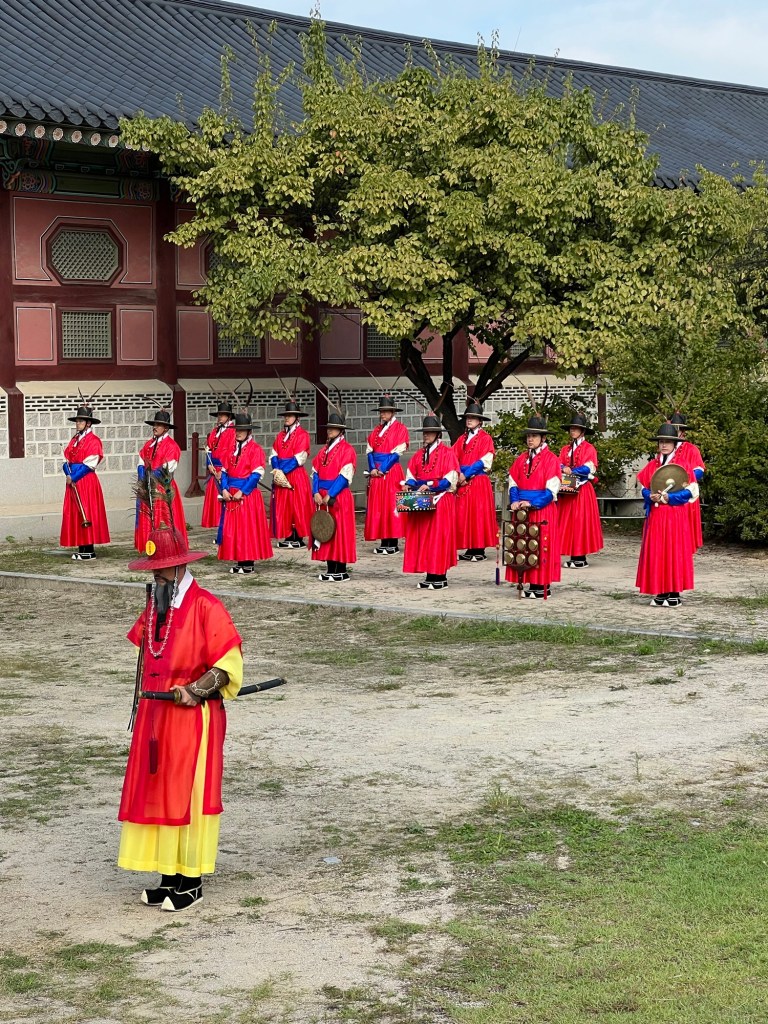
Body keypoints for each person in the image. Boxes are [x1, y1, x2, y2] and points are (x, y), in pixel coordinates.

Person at [118, 524, 243, 911]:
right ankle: (168, 875)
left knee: (188, 791)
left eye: (162, 570)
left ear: (180, 567)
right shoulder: (156, 606)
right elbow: (147, 649)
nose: (156, 577)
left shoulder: (207, 606)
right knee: (159, 790)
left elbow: (228, 665)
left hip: (191, 719)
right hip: (156, 715)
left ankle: (191, 881)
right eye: (153, 571)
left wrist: (196, 689)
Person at [636, 422, 697, 607]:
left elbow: (691, 491)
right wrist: (650, 495)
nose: (664, 445)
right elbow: (643, 487)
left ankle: (674, 593)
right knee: (658, 553)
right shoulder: (652, 464)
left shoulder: (683, 464)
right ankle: (660, 592)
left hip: (674, 516)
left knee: (673, 552)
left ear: (674, 443)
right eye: (661, 441)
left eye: (667, 442)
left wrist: (670, 498)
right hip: (656, 516)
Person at [505, 415, 562, 598]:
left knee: (540, 546)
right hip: (521, 509)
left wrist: (532, 503)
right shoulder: (521, 459)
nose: (530, 439)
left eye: (535, 436)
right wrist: (515, 500)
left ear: (543, 438)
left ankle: (542, 586)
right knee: (524, 547)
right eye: (529, 436)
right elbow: (513, 482)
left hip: (541, 509)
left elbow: (551, 490)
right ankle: (528, 581)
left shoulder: (551, 460)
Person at [402, 414, 460, 590]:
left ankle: (440, 577)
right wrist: (408, 485)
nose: (426, 435)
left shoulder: (448, 453)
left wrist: (431, 486)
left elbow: (449, 480)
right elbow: (411, 475)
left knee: (438, 539)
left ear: (437, 434)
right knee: (425, 539)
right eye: (425, 432)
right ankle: (429, 575)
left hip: (440, 500)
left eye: (430, 432)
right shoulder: (418, 455)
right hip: (423, 500)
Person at [217, 413, 273, 574]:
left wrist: (243, 491)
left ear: (249, 432)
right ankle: (239, 560)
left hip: (246, 495)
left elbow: (256, 474)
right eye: (237, 430)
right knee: (235, 530)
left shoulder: (256, 449)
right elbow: (224, 471)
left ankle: (248, 562)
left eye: (242, 430)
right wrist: (224, 489)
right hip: (231, 493)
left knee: (247, 530)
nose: (238, 433)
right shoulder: (231, 449)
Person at [311, 410, 357, 582]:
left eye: (333, 428)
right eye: (329, 428)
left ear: (341, 430)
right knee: (325, 530)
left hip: (338, 497)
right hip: (322, 496)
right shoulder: (323, 451)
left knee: (339, 532)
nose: (329, 430)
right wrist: (315, 491)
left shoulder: (347, 450)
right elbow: (315, 472)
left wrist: (330, 493)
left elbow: (344, 476)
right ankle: (330, 568)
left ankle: (340, 570)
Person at [60, 403, 110, 560]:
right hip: (73, 480)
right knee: (76, 512)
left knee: (87, 511)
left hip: (86, 480)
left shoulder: (94, 441)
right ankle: (81, 547)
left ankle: (89, 550)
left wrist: (74, 476)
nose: (77, 424)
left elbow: (90, 464)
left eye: (80, 421)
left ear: (88, 423)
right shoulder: (75, 440)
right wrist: (67, 471)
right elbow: (67, 460)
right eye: (77, 421)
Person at [135, 409, 188, 552]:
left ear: (166, 428)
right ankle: (149, 547)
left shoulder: (172, 446)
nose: (155, 427)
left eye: (158, 425)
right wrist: (143, 478)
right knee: (148, 517)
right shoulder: (148, 445)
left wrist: (151, 478)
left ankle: (166, 547)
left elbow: (168, 468)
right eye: (154, 424)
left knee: (163, 517)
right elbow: (141, 462)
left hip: (163, 488)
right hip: (147, 486)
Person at [364, 395, 409, 554]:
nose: (382, 414)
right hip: (376, 472)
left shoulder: (401, 429)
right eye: (381, 411)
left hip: (391, 471)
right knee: (379, 506)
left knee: (391, 505)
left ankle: (393, 542)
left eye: (386, 411)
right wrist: (372, 469)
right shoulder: (376, 430)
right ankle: (383, 540)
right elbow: (369, 451)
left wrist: (382, 468)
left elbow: (397, 452)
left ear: (392, 412)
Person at [557, 412, 603, 569]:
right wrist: (563, 467)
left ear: (582, 431)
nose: (573, 431)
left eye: (576, 428)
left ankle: (580, 557)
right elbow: (558, 463)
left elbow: (589, 467)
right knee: (568, 522)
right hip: (567, 489)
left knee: (580, 522)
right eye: (571, 428)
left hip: (582, 490)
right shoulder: (565, 449)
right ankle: (573, 555)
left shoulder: (589, 448)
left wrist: (572, 470)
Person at [452, 400, 497, 562]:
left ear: (480, 421)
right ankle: (470, 548)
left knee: (478, 514)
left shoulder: (486, 438)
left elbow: (484, 460)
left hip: (478, 481)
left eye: (473, 417)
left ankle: (479, 549)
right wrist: (458, 475)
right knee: (465, 515)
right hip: (463, 481)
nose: (469, 420)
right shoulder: (462, 439)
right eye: (467, 417)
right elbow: (452, 457)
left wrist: (467, 474)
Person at [269, 398, 314, 548]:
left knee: (297, 505)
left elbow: (299, 458)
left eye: (290, 415)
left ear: (297, 417)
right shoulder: (280, 436)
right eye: (285, 415)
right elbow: (273, 454)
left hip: (295, 474)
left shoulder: (302, 435)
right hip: (281, 474)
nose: (286, 418)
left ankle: (298, 536)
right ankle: (288, 535)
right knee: (284, 506)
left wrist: (282, 471)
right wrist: (277, 470)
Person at [669, 411, 705, 553]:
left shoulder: (691, 449)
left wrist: (683, 479)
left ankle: (684, 553)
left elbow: (700, 470)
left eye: (677, 429)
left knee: (685, 529)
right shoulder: (666, 449)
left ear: (682, 431)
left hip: (685, 492)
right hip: (668, 493)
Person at [201, 401, 235, 536]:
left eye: (223, 414)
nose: (220, 417)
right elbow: (209, 449)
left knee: (225, 500)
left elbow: (233, 452)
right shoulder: (215, 431)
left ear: (229, 416)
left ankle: (226, 532)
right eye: (219, 414)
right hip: (213, 469)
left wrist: (223, 470)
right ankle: (219, 532)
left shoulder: (233, 431)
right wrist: (209, 464)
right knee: (215, 502)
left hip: (225, 470)